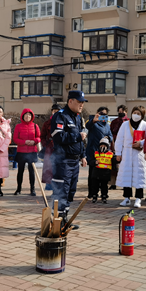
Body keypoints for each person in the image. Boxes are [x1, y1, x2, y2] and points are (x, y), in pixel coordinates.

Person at [51, 90, 88, 226]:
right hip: (62, 160)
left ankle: (64, 218)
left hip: (74, 160)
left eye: (83, 102)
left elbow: (81, 140)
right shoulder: (61, 116)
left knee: (71, 190)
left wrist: (83, 155)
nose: (81, 105)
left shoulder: (78, 117)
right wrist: (77, 136)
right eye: (79, 102)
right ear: (70, 101)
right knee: (62, 190)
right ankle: (57, 221)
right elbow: (58, 136)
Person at [116, 106, 146, 208]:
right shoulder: (125, 124)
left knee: (139, 176)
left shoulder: (145, 125)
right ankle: (127, 198)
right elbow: (119, 139)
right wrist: (118, 153)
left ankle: (138, 198)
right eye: (134, 112)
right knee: (127, 175)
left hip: (139, 154)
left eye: (139, 114)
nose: (136, 115)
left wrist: (141, 143)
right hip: (127, 153)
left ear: (142, 115)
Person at [85, 106, 113, 199]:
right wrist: (94, 120)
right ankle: (92, 193)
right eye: (101, 113)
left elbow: (110, 135)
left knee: (102, 175)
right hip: (94, 152)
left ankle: (103, 193)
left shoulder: (107, 125)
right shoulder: (93, 122)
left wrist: (108, 138)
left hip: (104, 154)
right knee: (93, 174)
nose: (102, 116)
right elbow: (88, 126)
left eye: (105, 114)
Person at [13, 108, 41, 196]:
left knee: (31, 171)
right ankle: (18, 189)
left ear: (32, 116)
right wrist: (24, 142)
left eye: (29, 115)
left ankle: (32, 189)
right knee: (20, 171)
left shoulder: (35, 126)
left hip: (32, 152)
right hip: (21, 152)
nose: (27, 116)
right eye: (26, 115)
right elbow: (15, 139)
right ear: (22, 116)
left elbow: (39, 137)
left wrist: (34, 141)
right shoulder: (18, 126)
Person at [40, 104, 61, 191]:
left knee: (58, 168)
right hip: (49, 148)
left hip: (59, 149)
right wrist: (45, 144)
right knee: (49, 167)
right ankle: (49, 185)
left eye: (57, 111)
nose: (55, 112)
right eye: (54, 111)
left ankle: (57, 187)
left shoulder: (62, 122)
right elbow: (42, 136)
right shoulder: (47, 123)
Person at [109, 105, 129, 190]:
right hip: (115, 143)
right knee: (113, 165)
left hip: (125, 145)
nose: (121, 113)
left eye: (122, 112)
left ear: (126, 112)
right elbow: (110, 133)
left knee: (125, 165)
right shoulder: (114, 122)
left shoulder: (129, 122)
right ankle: (113, 183)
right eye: (119, 112)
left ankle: (125, 184)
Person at [91, 137, 114, 203]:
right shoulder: (96, 153)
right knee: (95, 186)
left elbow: (114, 161)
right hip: (96, 173)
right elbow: (91, 161)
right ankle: (94, 196)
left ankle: (104, 196)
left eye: (104, 145)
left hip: (105, 173)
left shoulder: (110, 154)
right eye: (101, 145)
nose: (102, 147)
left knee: (104, 186)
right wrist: (94, 162)